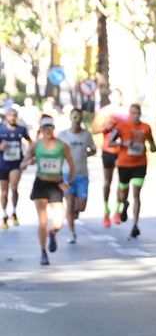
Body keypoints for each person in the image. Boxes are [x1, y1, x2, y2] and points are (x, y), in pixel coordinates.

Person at [21, 117, 74, 264]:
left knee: (58, 221)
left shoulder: (62, 146)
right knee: (43, 221)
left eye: (50, 127)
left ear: (53, 129)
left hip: (56, 184)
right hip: (41, 183)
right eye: (45, 128)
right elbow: (22, 164)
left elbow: (72, 165)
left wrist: (68, 182)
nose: (48, 130)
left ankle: (53, 232)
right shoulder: (36, 145)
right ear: (41, 130)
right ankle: (43, 252)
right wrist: (28, 162)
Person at [109, 103, 156, 238]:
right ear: (129, 114)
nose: (135, 116)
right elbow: (110, 142)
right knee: (123, 193)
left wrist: (152, 147)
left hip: (140, 164)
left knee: (136, 194)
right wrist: (123, 143)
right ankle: (124, 203)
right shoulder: (121, 127)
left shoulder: (146, 127)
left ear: (140, 114)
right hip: (124, 164)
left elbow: (152, 144)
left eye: (137, 113)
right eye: (132, 113)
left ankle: (135, 224)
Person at [56, 109, 96, 244]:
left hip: (82, 174)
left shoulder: (86, 135)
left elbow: (93, 149)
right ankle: (72, 233)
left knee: (81, 206)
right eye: (74, 116)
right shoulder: (62, 135)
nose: (76, 119)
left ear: (81, 118)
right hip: (67, 174)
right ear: (70, 117)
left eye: (79, 116)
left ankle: (75, 211)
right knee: (69, 203)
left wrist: (87, 153)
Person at [91, 89, 125, 226]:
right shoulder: (104, 112)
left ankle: (117, 210)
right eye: (114, 96)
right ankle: (106, 210)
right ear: (110, 97)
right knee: (108, 181)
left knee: (122, 182)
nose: (116, 98)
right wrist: (106, 127)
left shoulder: (126, 112)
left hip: (122, 151)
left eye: (119, 96)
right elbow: (94, 129)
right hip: (108, 150)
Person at [0, 106, 32, 227]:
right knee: (4, 192)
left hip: (16, 163)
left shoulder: (21, 129)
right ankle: (4, 214)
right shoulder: (1, 128)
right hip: (3, 164)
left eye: (14, 115)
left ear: (17, 117)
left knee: (14, 187)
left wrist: (28, 157)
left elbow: (30, 142)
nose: (12, 118)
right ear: (6, 117)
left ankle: (14, 211)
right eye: (10, 115)